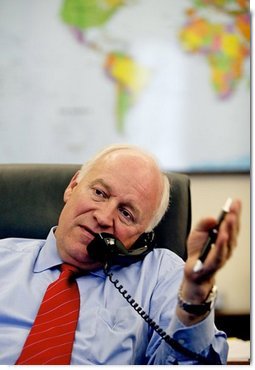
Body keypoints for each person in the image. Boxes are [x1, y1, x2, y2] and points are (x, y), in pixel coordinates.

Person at [0, 144, 241, 365]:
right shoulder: (4, 259)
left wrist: (195, 296)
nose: (103, 217)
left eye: (126, 214)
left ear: (142, 237)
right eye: (99, 193)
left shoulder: (161, 276)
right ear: (72, 187)